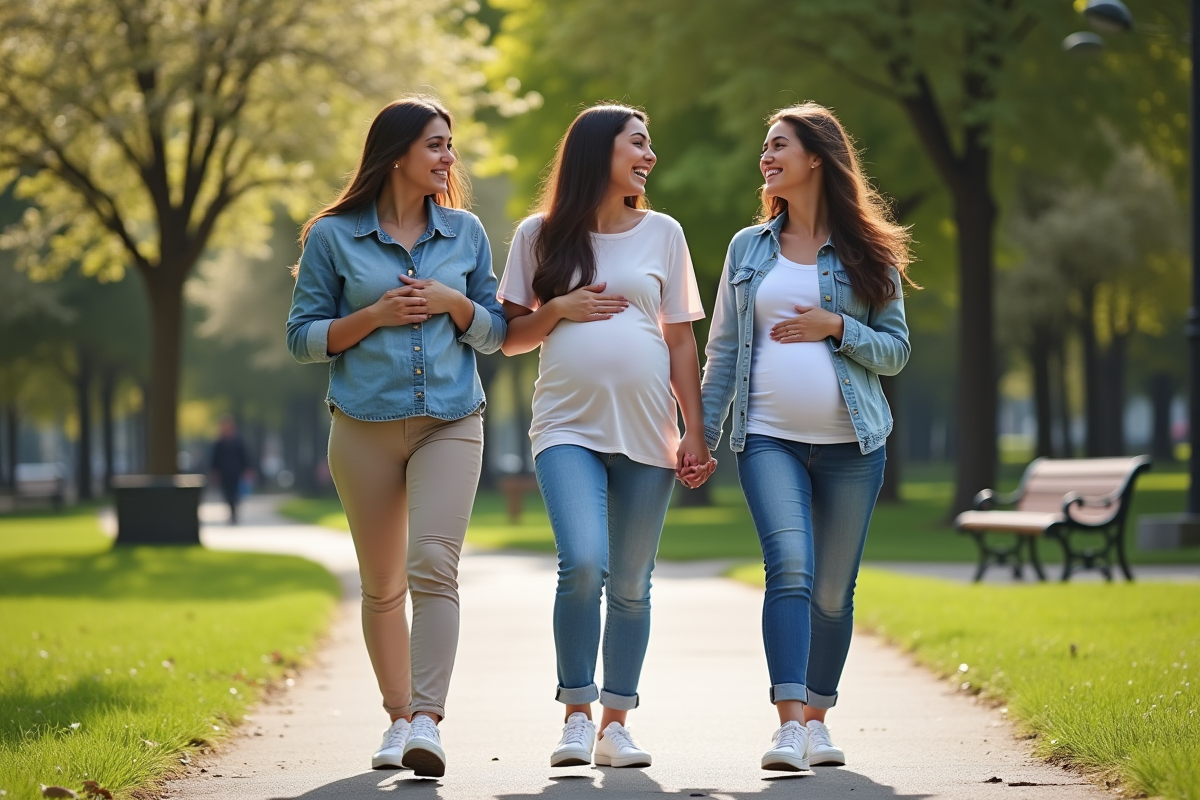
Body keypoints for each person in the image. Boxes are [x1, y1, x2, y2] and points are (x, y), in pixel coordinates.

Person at [285, 96, 506, 778]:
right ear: (398, 153)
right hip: (362, 427)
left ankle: (427, 723)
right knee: (381, 586)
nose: (448, 157)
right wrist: (375, 315)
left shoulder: (466, 233)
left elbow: (496, 332)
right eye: (436, 145)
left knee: (433, 564)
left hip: (451, 422)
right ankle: (396, 715)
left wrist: (456, 304)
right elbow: (302, 339)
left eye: (450, 145)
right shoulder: (332, 237)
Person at [695, 102, 914, 772]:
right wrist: (700, 435)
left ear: (816, 157)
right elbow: (724, 352)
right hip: (770, 440)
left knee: (831, 592)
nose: (765, 157)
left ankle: (819, 717)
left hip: (855, 446)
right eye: (765, 147)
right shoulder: (746, 248)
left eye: (778, 145)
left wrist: (836, 327)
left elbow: (897, 352)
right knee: (789, 569)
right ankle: (788, 723)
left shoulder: (870, 250)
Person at [498, 104, 715, 769]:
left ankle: (616, 723)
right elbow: (508, 338)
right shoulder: (538, 235)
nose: (649, 155)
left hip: (650, 434)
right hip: (566, 427)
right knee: (583, 562)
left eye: (651, 145)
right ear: (599, 151)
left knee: (630, 583)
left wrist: (695, 430)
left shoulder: (665, 233)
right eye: (638, 143)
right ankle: (574, 712)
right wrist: (558, 309)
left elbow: (680, 338)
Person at [208, 414, 252, 524]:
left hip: (236, 472)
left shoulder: (238, 442)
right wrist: (214, 472)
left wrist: (247, 470)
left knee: (235, 493)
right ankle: (231, 512)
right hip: (224, 472)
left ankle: (234, 513)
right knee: (227, 493)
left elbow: (245, 457)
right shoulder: (219, 443)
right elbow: (215, 459)